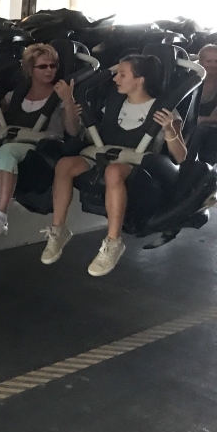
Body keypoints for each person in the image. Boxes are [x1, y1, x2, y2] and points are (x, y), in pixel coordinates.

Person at [41, 55, 186, 276]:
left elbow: (181, 156)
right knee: (64, 165)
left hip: (139, 167)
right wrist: (69, 103)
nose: (116, 79)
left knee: (113, 171)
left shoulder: (164, 110)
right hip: (105, 155)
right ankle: (58, 230)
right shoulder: (114, 103)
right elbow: (73, 131)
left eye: (122, 74)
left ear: (140, 80)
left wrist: (169, 132)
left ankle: (113, 242)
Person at [0, 43, 80, 237]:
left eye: (53, 66)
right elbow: (0, 108)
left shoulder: (61, 94)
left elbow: (72, 129)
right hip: (13, 137)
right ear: (30, 69)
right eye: (43, 66)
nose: (49, 70)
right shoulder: (19, 92)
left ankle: (1, 217)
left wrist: (68, 100)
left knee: (7, 151)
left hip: (42, 146)